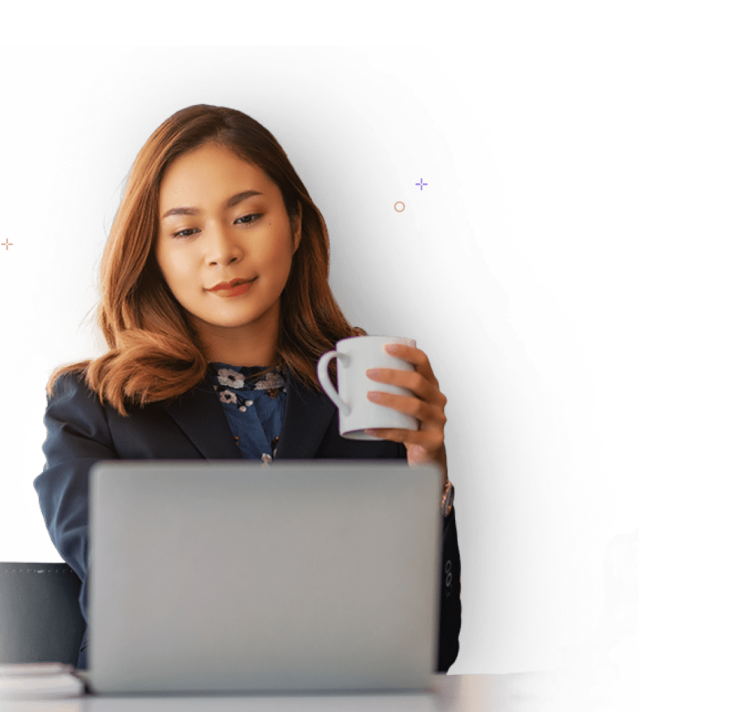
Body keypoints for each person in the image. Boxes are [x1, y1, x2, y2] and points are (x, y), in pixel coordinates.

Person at [33, 104, 461, 672]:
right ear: (154, 255)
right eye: (186, 230)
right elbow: (133, 592)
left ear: (297, 225)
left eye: (248, 217)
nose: (222, 252)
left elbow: (432, 640)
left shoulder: (366, 393)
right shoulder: (94, 406)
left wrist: (427, 468)